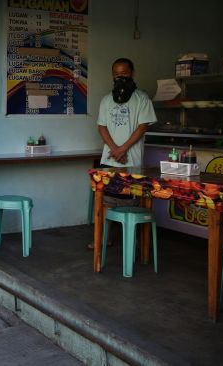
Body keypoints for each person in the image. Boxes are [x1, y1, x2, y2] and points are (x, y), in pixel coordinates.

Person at [87, 58, 157, 249]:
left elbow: (143, 127)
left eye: (124, 73)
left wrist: (123, 149)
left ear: (132, 73)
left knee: (132, 201)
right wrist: (115, 149)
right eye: (117, 74)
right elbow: (101, 127)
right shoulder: (106, 99)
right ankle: (102, 238)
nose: (120, 77)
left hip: (131, 161)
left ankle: (133, 241)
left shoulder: (142, 98)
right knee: (103, 202)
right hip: (109, 160)